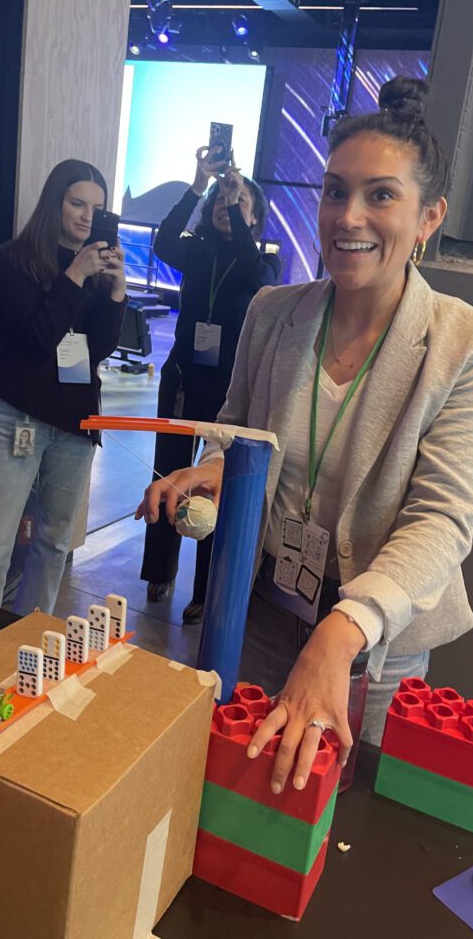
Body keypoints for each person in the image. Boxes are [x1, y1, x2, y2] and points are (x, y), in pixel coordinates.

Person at [137, 77, 473, 793]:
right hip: (261, 610)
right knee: (235, 794)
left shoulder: (470, 344)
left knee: (334, 819)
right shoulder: (274, 313)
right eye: (335, 191)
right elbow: (237, 433)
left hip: (371, 643)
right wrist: (215, 469)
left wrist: (343, 632)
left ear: (430, 215)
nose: (349, 216)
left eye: (380, 195)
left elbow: (443, 521)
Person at [0, 159, 127, 614]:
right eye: (77, 203)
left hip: (76, 422)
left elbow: (98, 350)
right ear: (55, 202)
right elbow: (39, 336)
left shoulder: (94, 270)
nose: (88, 216)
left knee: (54, 546)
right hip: (20, 417)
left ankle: (26, 640)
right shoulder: (13, 260)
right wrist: (74, 275)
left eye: (98, 207)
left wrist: (115, 293)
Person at [140, 146, 280, 625]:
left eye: (239, 203)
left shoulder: (260, 267)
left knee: (211, 486)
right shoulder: (196, 250)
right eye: (220, 203)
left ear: (255, 219)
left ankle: (205, 587)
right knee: (167, 474)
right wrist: (198, 185)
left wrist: (237, 201)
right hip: (181, 380)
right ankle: (158, 570)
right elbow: (162, 244)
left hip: (227, 394)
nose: (227, 207)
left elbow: (249, 264)